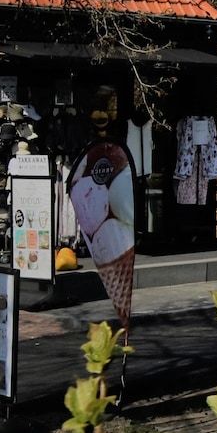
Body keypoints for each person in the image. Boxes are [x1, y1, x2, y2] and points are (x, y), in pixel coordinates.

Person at [67, 83, 137, 335]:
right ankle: (124, 322)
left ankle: (125, 322)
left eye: (109, 108)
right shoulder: (91, 150)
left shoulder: (117, 147)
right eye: (98, 108)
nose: (103, 116)